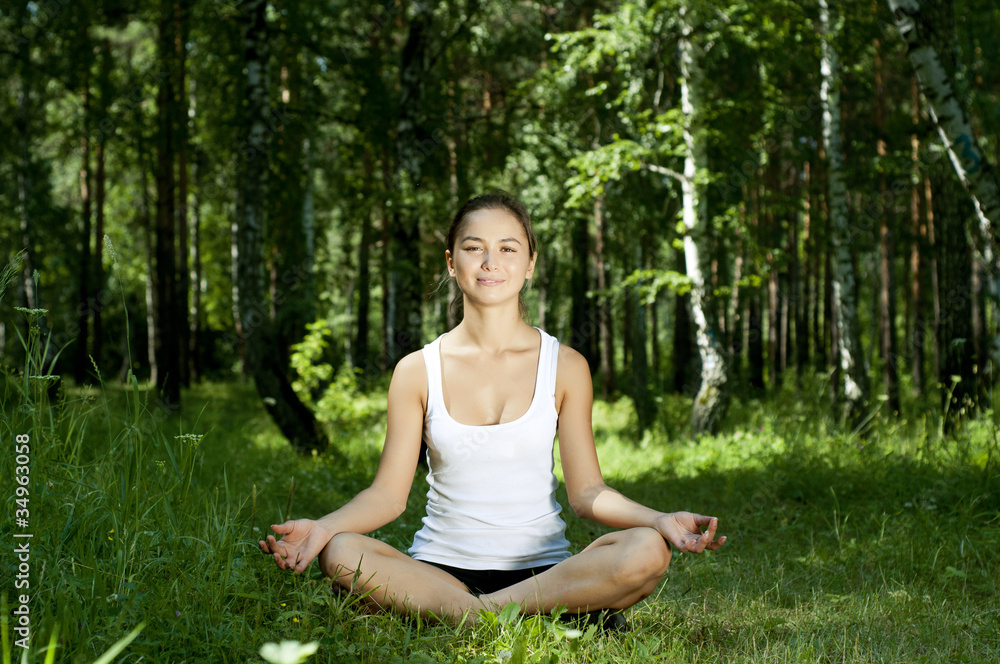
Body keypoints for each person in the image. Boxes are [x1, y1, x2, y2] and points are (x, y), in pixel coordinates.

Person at [258, 191, 726, 624]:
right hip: (439, 572)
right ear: (451, 262)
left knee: (647, 549)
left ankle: (474, 614)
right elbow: (387, 497)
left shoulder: (565, 365)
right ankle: (504, 613)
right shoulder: (416, 370)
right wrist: (320, 529)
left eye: (507, 248)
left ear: (529, 265)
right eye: (473, 247)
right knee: (340, 552)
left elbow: (587, 493)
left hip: (545, 573)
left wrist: (658, 520)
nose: (490, 262)